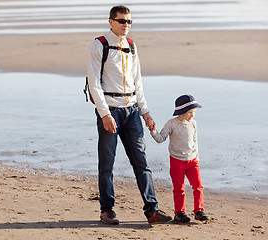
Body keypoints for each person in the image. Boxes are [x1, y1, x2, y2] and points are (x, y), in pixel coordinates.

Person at [87, 5, 172, 225]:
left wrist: (145, 112)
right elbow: (94, 83)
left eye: (129, 22)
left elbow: (138, 82)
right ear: (111, 22)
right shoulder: (100, 45)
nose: (127, 25)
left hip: (132, 111)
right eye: (122, 21)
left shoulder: (132, 46)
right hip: (110, 110)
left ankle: (152, 211)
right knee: (107, 164)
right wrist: (105, 114)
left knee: (141, 163)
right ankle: (107, 210)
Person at [150, 94, 210, 223]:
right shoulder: (172, 124)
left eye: (193, 112)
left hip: (193, 161)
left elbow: (195, 141)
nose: (192, 115)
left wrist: (196, 156)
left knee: (198, 186)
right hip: (177, 161)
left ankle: (199, 211)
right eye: (189, 113)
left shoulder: (193, 124)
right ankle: (179, 213)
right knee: (179, 188)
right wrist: (153, 130)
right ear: (181, 111)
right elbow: (160, 138)